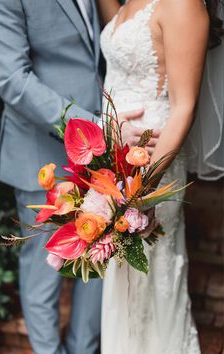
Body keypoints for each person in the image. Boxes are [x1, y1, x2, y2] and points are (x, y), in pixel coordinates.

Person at [0, 1, 159, 353]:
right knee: (43, 276)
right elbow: (13, 80)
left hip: (103, 152)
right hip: (43, 153)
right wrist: (92, 126)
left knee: (100, 259)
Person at [96, 0, 222, 353]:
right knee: (123, 282)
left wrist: (140, 191)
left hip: (150, 167)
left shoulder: (183, 5)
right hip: (113, 164)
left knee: (149, 279)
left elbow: (185, 107)